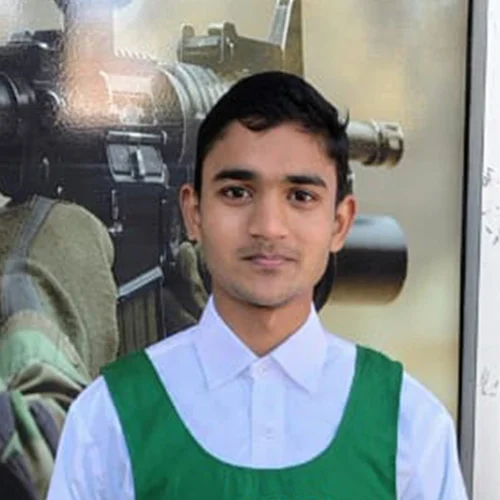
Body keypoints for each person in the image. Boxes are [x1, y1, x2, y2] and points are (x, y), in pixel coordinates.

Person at [46, 71, 468, 499]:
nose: (268, 226)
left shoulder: (409, 425)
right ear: (193, 213)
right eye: (237, 192)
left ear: (340, 223)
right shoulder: (109, 419)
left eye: (300, 196)